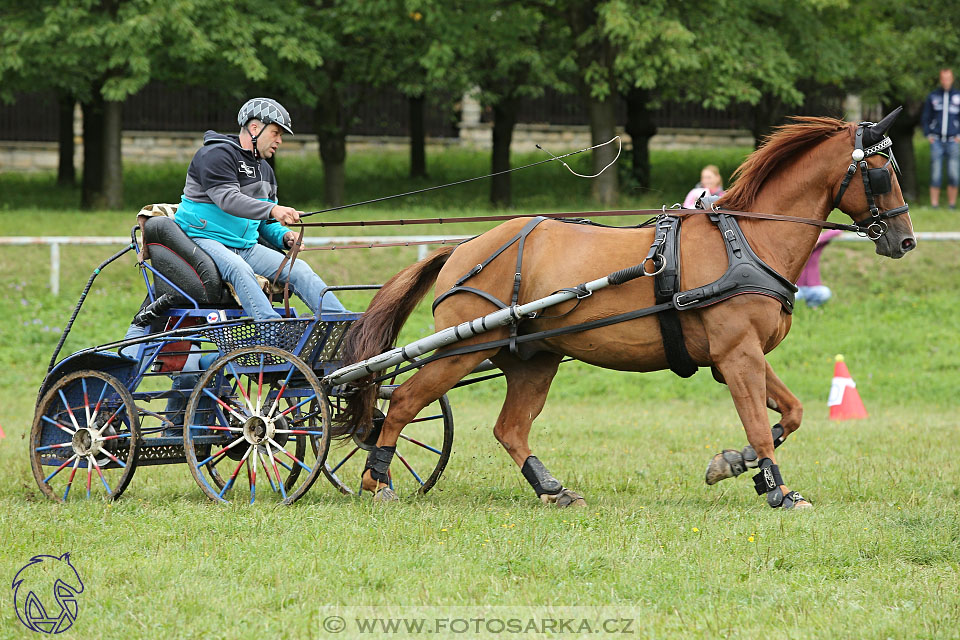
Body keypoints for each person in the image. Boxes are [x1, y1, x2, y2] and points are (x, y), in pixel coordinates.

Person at [174, 97, 346, 320]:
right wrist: (273, 210)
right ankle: (273, 331)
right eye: (276, 133)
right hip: (203, 239)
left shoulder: (265, 170)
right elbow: (228, 199)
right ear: (255, 127)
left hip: (245, 247)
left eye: (281, 136)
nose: (279, 141)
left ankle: (342, 325)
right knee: (239, 269)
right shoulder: (215, 155)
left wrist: (285, 237)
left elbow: (265, 222)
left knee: (300, 270)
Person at [921, 68, 960, 209]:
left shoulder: (958, 96)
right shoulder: (933, 96)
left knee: (953, 173)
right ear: (940, 79)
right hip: (936, 140)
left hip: (953, 141)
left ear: (952, 79)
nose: (946, 81)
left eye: (948, 78)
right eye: (943, 78)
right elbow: (926, 117)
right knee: (935, 174)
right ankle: (934, 205)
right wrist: (929, 135)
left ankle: (952, 205)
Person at [796, 229, 842, 308]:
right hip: (797, 288)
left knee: (825, 293)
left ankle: (811, 306)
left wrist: (819, 239)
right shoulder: (796, 249)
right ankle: (798, 309)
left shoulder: (818, 247)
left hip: (813, 288)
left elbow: (837, 231)